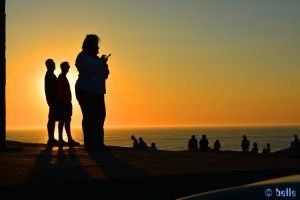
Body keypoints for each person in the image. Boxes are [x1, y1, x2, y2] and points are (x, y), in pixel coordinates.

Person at [75, 34, 110, 151]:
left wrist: (104, 64)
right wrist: (102, 63)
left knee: (100, 116)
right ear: (90, 45)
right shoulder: (82, 57)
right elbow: (92, 69)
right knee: (90, 116)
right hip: (86, 90)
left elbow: (105, 75)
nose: (98, 48)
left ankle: (98, 142)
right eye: (96, 46)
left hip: (97, 92)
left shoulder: (95, 59)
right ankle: (90, 142)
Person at [57, 62, 80, 146]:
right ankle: (62, 139)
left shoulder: (63, 77)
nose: (68, 69)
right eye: (67, 67)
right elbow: (60, 91)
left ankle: (67, 139)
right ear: (63, 68)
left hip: (66, 102)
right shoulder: (61, 78)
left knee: (66, 121)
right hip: (64, 103)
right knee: (63, 121)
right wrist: (64, 101)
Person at [44, 59, 59, 146]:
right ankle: (51, 139)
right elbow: (50, 89)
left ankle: (51, 138)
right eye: (53, 64)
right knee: (52, 119)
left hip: (53, 99)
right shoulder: (49, 75)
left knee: (52, 119)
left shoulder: (50, 75)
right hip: (53, 100)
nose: (54, 65)